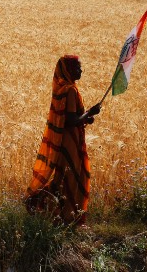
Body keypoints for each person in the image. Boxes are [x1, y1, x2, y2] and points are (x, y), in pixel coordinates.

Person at [23, 55, 101, 225]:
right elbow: (72, 120)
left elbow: (69, 118)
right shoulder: (71, 90)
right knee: (72, 177)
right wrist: (91, 112)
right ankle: (63, 215)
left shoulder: (61, 88)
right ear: (68, 70)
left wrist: (85, 118)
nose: (81, 71)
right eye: (77, 68)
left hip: (63, 142)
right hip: (70, 143)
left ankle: (47, 209)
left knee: (62, 177)